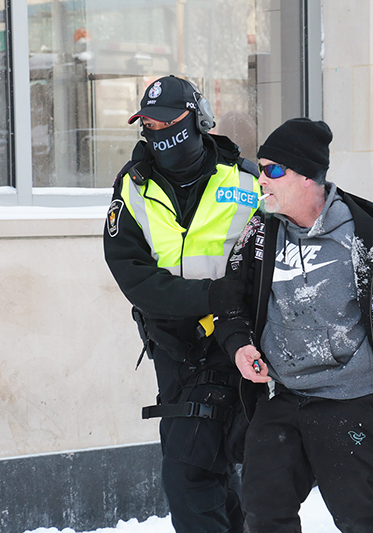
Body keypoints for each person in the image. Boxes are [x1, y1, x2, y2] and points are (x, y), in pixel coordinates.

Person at [214, 118, 373, 533]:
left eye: (272, 170)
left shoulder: (364, 238)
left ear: (307, 177)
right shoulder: (261, 233)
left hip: (346, 399)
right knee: (263, 510)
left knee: (359, 515)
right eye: (260, 169)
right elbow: (229, 302)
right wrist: (239, 345)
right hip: (284, 395)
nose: (261, 179)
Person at [103, 75, 260, 533]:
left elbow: (277, 254)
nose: (155, 131)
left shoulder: (246, 180)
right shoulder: (132, 187)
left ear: (195, 120)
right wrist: (208, 295)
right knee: (208, 462)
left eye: (165, 121)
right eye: (146, 123)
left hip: (232, 341)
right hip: (171, 344)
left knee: (189, 470)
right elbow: (132, 273)